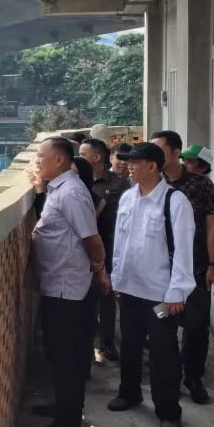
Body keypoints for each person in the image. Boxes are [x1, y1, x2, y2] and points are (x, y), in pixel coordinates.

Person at [108, 143, 196, 427]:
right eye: (128, 162)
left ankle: (168, 411)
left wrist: (177, 292)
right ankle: (129, 393)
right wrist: (117, 279)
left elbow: (183, 250)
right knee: (130, 346)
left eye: (136, 162)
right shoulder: (128, 198)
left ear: (153, 166)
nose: (129, 166)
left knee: (163, 353)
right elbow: (120, 244)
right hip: (130, 291)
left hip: (160, 297)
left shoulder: (174, 201)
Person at [28, 137, 110, 427]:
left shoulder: (72, 193)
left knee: (67, 357)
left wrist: (100, 271)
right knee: (58, 353)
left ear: (60, 160)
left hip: (68, 290)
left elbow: (92, 239)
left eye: (40, 156)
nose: (36, 161)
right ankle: (64, 407)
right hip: (57, 285)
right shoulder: (57, 190)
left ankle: (68, 422)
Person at [151, 131, 214, 405]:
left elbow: (212, 228)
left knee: (196, 328)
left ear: (175, 152)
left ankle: (193, 378)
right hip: (158, 273)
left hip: (194, 272)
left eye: (160, 149)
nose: (155, 155)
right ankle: (167, 378)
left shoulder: (200, 187)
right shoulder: (150, 185)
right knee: (162, 324)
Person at [80, 138, 130, 362]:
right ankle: (87, 345)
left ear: (96, 157)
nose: (78, 157)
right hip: (81, 249)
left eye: (83, 153)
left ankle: (107, 343)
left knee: (107, 296)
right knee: (84, 299)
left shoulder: (119, 185)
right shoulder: (77, 182)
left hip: (110, 246)